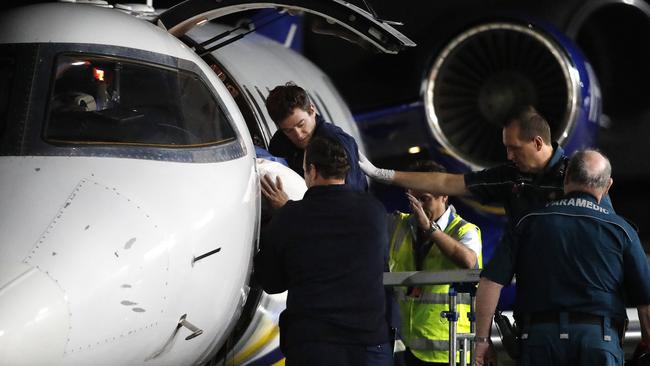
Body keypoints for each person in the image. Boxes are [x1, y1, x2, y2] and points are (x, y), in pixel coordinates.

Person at [473, 149, 650, 366]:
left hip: (539, 341)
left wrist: (482, 340)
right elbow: (646, 303)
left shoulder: (527, 222)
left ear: (566, 177)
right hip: (599, 343)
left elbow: (490, 283)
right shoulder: (621, 230)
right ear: (608, 186)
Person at [254, 136, 392, 366]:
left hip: (314, 345)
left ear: (312, 170)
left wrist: (280, 219)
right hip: (369, 345)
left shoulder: (290, 218)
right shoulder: (374, 211)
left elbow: (271, 282)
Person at [360, 105, 612, 225]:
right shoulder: (508, 177)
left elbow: (609, 233)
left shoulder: (579, 176)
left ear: (537, 142)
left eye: (514, 148)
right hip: (535, 292)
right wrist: (383, 174)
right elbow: (447, 182)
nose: (509, 156)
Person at [389, 160, 483, 365]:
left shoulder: (465, 231)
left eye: (425, 199)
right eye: (414, 200)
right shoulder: (400, 226)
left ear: (444, 195)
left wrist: (431, 230)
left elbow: (468, 260)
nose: (418, 208)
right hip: (410, 349)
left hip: (450, 351)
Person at [265, 82, 367, 194]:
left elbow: (349, 199)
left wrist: (288, 207)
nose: (298, 135)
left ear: (312, 110)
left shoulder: (336, 142)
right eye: (289, 130)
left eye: (301, 124)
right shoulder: (279, 144)